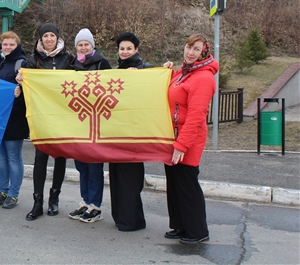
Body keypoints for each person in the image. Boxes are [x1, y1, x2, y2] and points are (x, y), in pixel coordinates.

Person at [163, 34, 218, 244]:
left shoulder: (203, 78)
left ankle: (197, 231)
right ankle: (180, 225)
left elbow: (196, 116)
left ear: (203, 52)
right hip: (174, 137)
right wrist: (167, 72)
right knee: (175, 183)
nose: (190, 52)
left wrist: (182, 144)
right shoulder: (184, 73)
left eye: (196, 49)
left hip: (188, 140)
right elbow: (173, 95)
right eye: (188, 47)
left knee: (187, 184)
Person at [18, 23, 73, 221]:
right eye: (45, 36)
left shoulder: (68, 58)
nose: (49, 39)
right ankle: (37, 202)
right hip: (42, 116)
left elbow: (83, 77)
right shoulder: (32, 60)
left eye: (52, 36)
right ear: (40, 39)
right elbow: (25, 83)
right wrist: (20, 80)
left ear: (57, 38)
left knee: (60, 158)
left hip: (62, 116)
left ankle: (54, 199)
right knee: (40, 159)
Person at [109, 32, 153, 232]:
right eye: (122, 49)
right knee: (117, 176)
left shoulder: (145, 69)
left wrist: (168, 67)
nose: (125, 52)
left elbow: (159, 82)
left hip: (134, 132)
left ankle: (132, 220)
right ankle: (120, 217)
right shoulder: (116, 71)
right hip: (116, 131)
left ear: (136, 50)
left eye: (129, 48)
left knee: (130, 178)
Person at [68, 28, 112, 223]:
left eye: (87, 44)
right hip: (79, 121)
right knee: (81, 166)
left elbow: (112, 88)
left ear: (92, 45)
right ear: (76, 47)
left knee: (94, 166)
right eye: (80, 44)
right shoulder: (72, 64)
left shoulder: (102, 63)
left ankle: (96, 205)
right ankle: (85, 201)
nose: (84, 47)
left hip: (97, 122)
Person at [0, 31, 29, 209]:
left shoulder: (22, 63)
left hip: (15, 117)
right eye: (5, 44)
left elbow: (30, 89)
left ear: (17, 45)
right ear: (1, 45)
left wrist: (20, 89)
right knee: (1, 157)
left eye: (11, 45)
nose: (8, 47)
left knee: (13, 156)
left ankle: (13, 193)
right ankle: (2, 190)